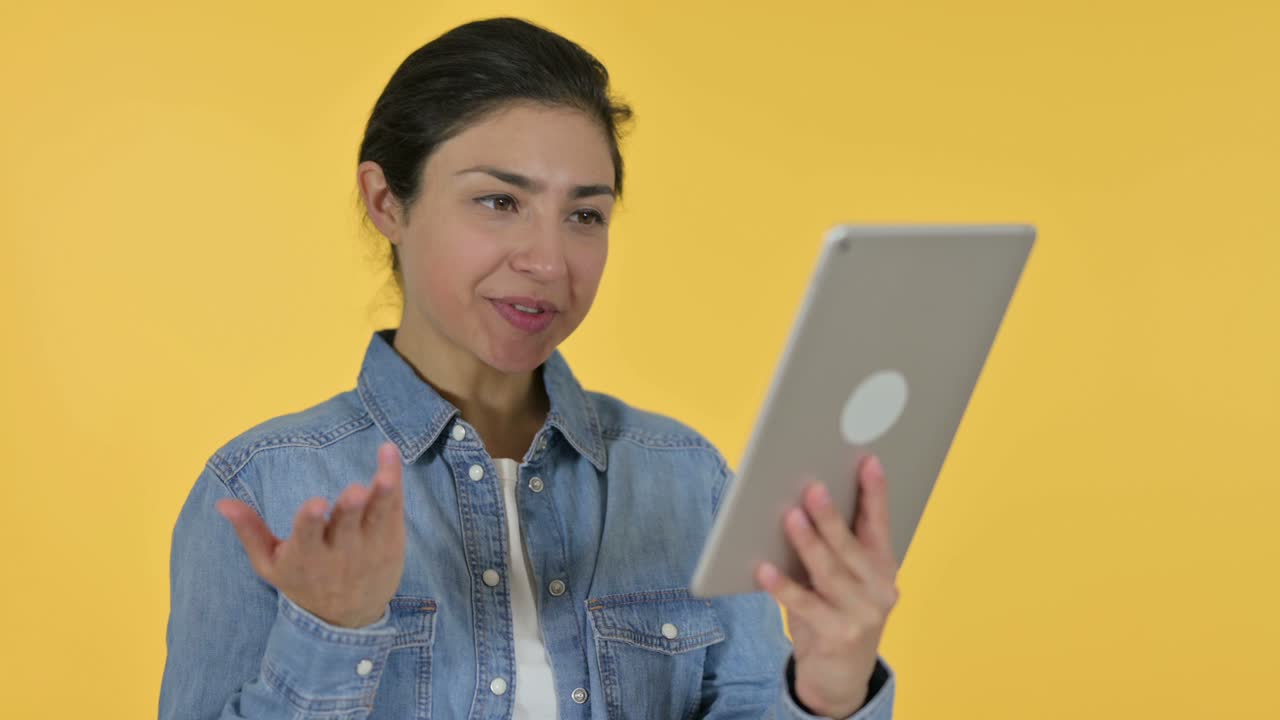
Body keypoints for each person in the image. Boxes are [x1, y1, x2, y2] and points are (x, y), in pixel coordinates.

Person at [159, 16, 898, 720]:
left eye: (585, 215)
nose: (547, 261)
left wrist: (829, 692)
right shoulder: (268, 487)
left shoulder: (686, 480)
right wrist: (333, 633)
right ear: (387, 203)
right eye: (499, 201)